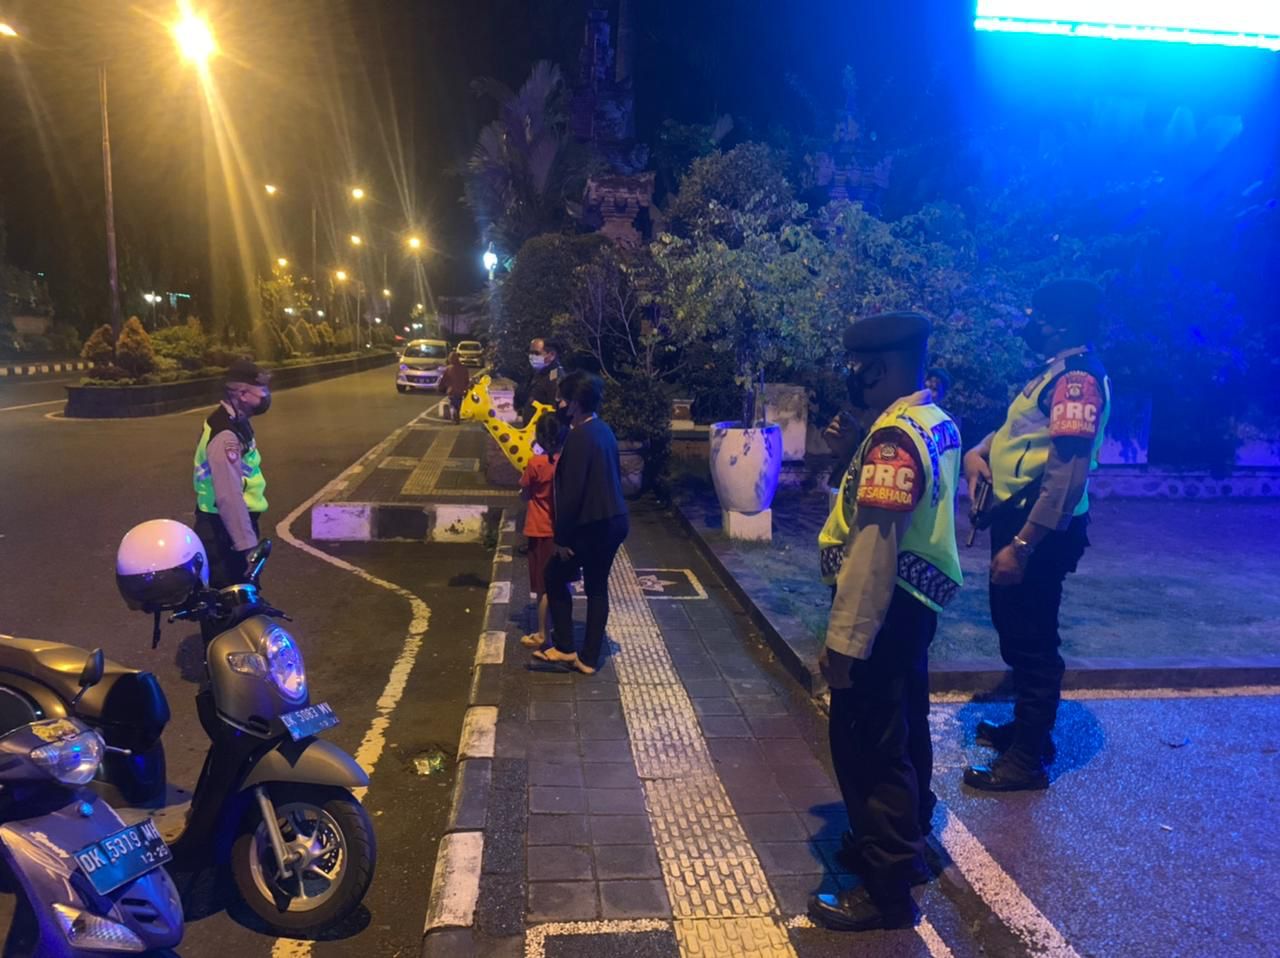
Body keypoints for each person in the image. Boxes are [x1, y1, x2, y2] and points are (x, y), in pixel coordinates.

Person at [809, 312, 963, 933]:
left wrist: (845, 643)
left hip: (882, 607)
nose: (853, 378)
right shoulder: (935, 421)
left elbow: (873, 552)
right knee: (904, 727)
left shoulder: (893, 441)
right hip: (913, 608)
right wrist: (853, 452)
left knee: (868, 745)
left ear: (882, 367)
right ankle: (907, 840)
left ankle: (888, 888)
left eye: (858, 368)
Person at [962, 279, 1111, 792]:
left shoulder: (1077, 382)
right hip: (1021, 520)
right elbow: (1020, 431)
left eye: (1038, 316)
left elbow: (1066, 476)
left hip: (1040, 530)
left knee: (1032, 641)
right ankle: (1028, 731)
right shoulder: (1055, 374)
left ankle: (1027, 759)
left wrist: (1022, 546)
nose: (1031, 323)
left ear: (1063, 322)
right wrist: (978, 451)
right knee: (1015, 629)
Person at [532, 372, 629, 676]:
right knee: (597, 586)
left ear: (574, 403)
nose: (558, 403)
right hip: (615, 520)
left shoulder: (579, 438)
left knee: (553, 574)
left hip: (592, 525)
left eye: (561, 398)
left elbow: (571, 494)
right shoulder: (603, 430)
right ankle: (588, 658)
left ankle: (564, 646)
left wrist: (561, 539)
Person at [192, 358, 272, 588]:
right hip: (223, 532)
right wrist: (247, 546)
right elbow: (229, 496)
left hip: (227, 527)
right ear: (243, 394)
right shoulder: (225, 434)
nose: (266, 395)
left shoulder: (237, 422)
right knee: (234, 599)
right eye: (262, 389)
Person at [519, 415, 564, 651]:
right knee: (557, 582)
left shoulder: (535, 463)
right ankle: (555, 628)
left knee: (542, 586)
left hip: (539, 528)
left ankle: (542, 634)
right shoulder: (563, 462)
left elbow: (524, 492)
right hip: (559, 529)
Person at [517, 337, 565, 424]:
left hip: (543, 429)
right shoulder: (539, 373)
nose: (531, 356)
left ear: (551, 355)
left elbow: (554, 410)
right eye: (530, 353)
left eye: (536, 353)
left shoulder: (555, 377)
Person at [437, 350, 471, 423]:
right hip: (462, 391)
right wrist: (466, 388)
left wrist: (440, 388)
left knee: (453, 403)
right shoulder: (464, 368)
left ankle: (454, 413)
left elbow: (444, 380)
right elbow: (467, 380)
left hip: (452, 391)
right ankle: (457, 414)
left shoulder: (449, 369)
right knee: (459, 404)